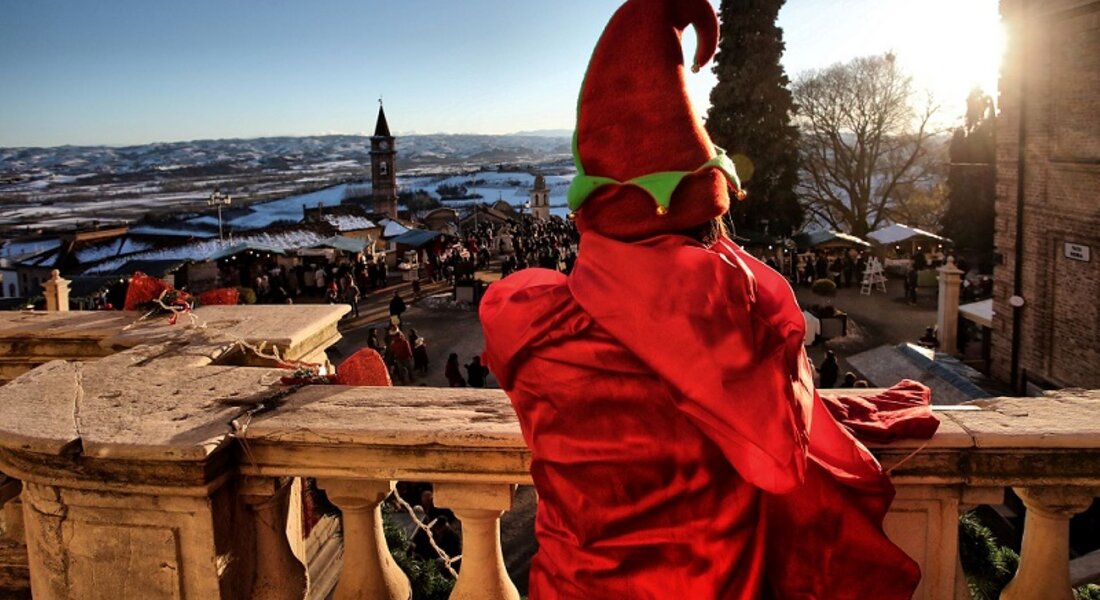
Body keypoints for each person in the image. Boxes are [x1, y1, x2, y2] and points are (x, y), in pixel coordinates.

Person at [479, 2, 919, 597]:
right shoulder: (740, 334)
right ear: (711, 211)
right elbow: (780, 458)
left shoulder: (530, 324)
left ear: (589, 211)